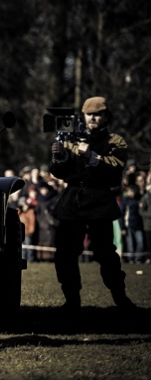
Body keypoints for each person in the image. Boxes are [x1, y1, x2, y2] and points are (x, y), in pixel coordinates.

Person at [49, 96, 136, 313]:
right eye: (89, 114)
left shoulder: (116, 141)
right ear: (83, 116)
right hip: (72, 201)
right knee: (65, 253)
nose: (93, 118)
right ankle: (72, 301)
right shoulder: (69, 140)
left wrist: (92, 155)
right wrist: (58, 158)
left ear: (106, 116)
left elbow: (115, 171)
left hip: (99, 200)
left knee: (105, 253)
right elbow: (60, 173)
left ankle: (121, 298)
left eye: (97, 114)